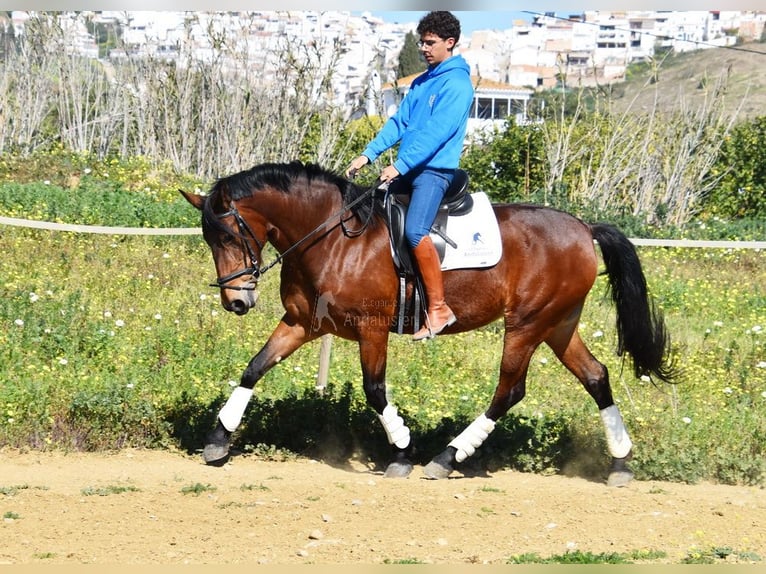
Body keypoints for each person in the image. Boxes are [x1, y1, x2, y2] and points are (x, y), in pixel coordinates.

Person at [346, 11, 474, 341]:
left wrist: (400, 167)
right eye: (421, 42)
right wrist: (368, 154)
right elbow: (399, 124)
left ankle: (439, 308)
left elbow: (437, 133)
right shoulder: (421, 82)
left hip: (435, 172)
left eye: (430, 43)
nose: (423, 48)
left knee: (415, 231)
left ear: (450, 43)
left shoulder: (457, 84)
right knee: (371, 214)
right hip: (411, 168)